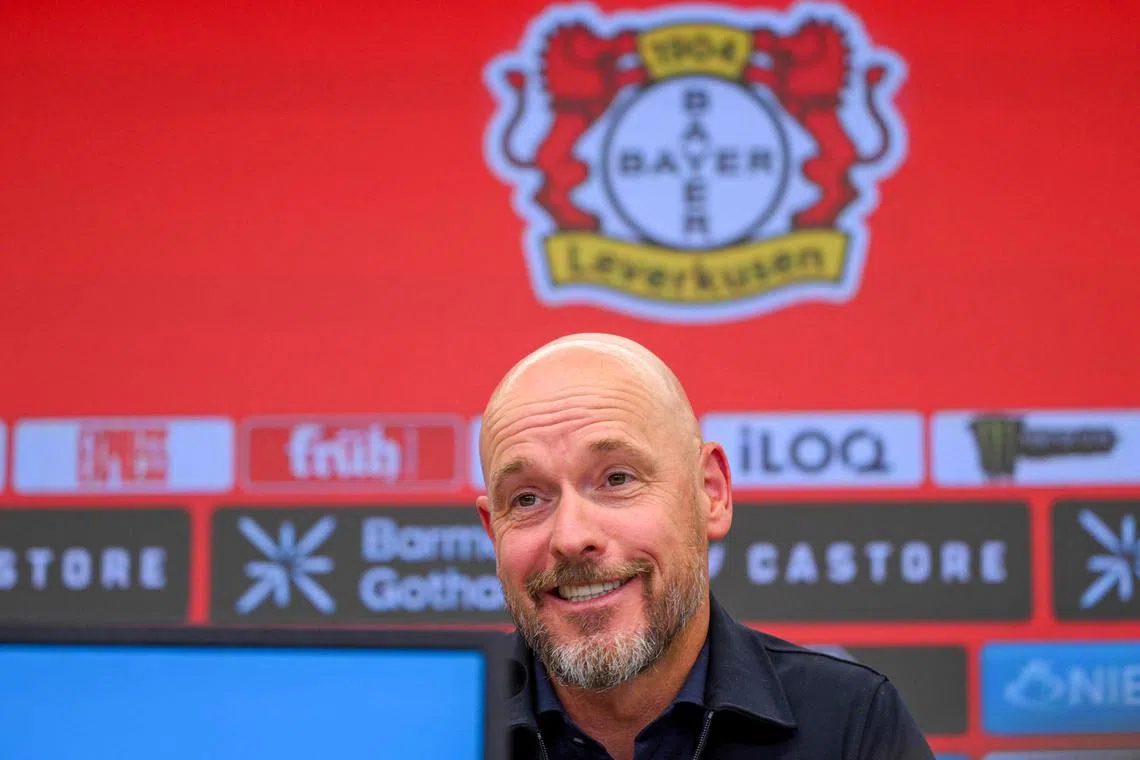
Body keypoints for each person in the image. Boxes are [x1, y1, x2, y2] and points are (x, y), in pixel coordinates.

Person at [476, 333, 936, 760]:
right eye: (527, 499)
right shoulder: (431, 730)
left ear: (711, 493)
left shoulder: (850, 725)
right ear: (494, 532)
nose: (572, 538)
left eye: (617, 479)